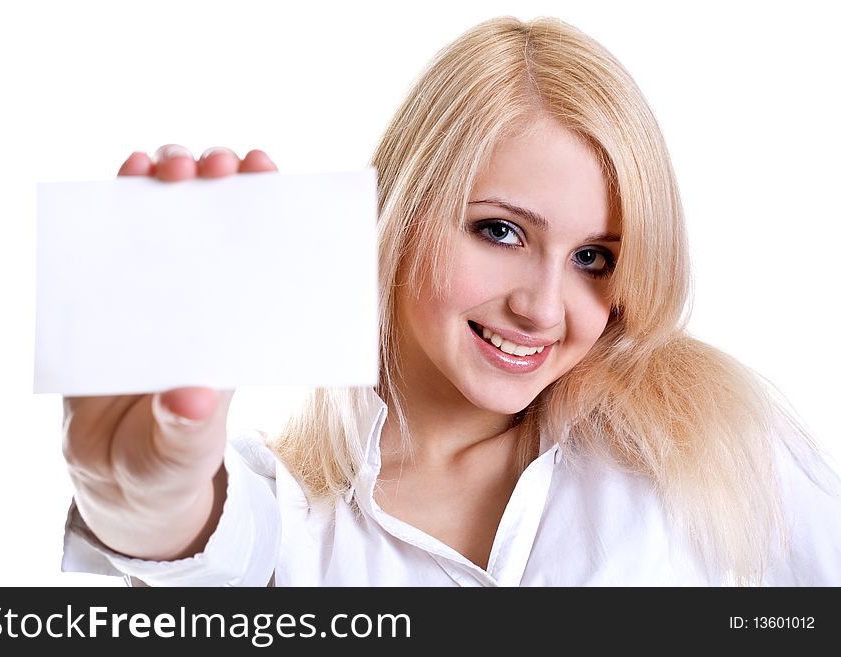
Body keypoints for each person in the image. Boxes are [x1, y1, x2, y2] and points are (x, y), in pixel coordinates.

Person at [61, 16, 840, 586]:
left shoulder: (709, 438)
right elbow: (201, 544)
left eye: (594, 258)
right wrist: (138, 501)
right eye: (500, 231)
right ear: (404, 213)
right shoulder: (292, 518)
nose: (542, 307)